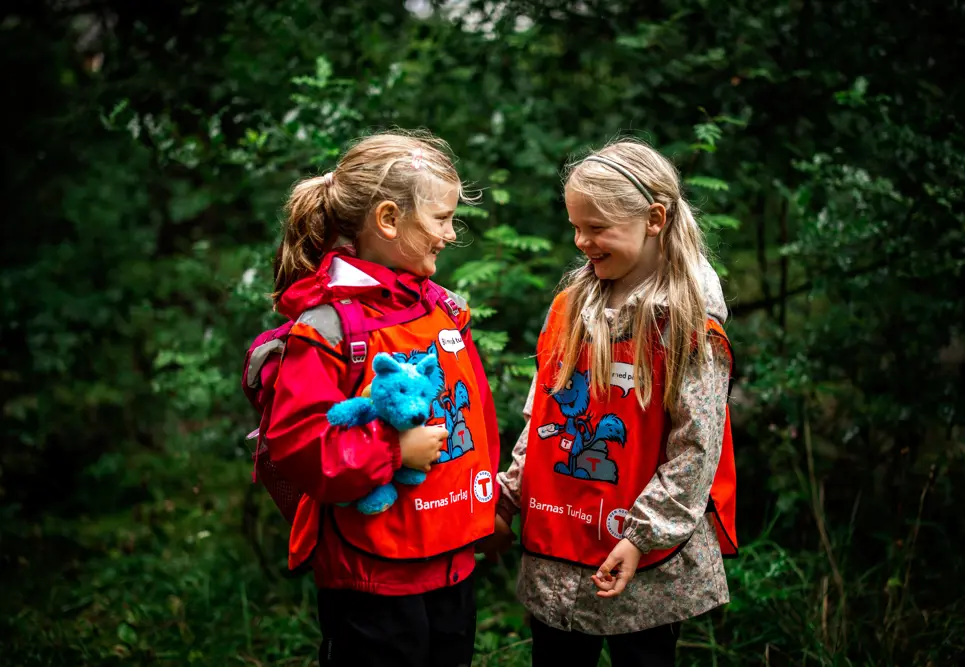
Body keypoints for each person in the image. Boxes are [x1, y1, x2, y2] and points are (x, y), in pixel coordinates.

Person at [485, 139, 738, 667]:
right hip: (558, 545)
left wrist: (642, 538)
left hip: (641, 559)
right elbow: (542, 418)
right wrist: (508, 499)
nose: (581, 241)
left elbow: (696, 447)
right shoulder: (569, 306)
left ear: (653, 218)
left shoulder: (689, 322)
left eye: (597, 227)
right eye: (576, 226)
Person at [257, 131, 500, 667]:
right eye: (440, 219)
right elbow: (298, 443)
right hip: (373, 576)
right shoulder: (328, 329)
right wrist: (394, 452)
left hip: (451, 557)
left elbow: (474, 415)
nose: (450, 234)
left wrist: (488, 504)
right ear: (388, 220)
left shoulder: (441, 310)